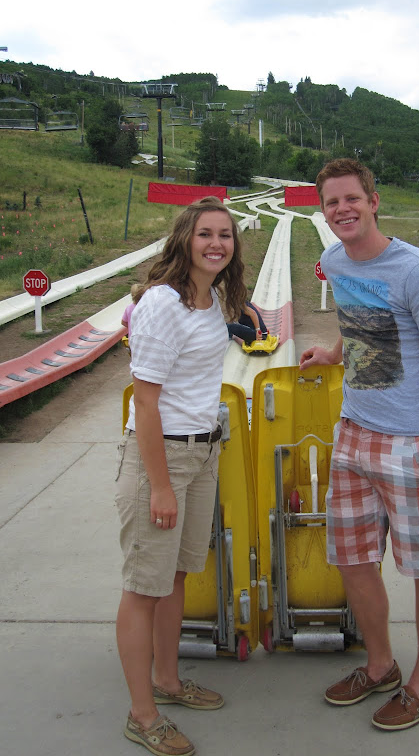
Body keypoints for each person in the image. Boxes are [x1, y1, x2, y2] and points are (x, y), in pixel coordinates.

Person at [299, 159, 419, 732]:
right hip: (353, 434)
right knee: (353, 561)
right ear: (324, 212)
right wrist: (332, 353)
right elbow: (358, 323)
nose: (342, 209)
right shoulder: (335, 261)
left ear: (373, 201)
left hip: (409, 444)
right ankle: (380, 666)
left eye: (352, 198)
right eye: (332, 202)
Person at [114, 197, 246, 756]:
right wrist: (161, 486)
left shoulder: (209, 298)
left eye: (225, 235)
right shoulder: (163, 303)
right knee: (143, 587)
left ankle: (167, 680)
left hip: (201, 452)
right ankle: (142, 714)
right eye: (205, 234)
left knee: (175, 578)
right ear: (184, 239)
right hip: (161, 459)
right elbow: (145, 403)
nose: (216, 244)